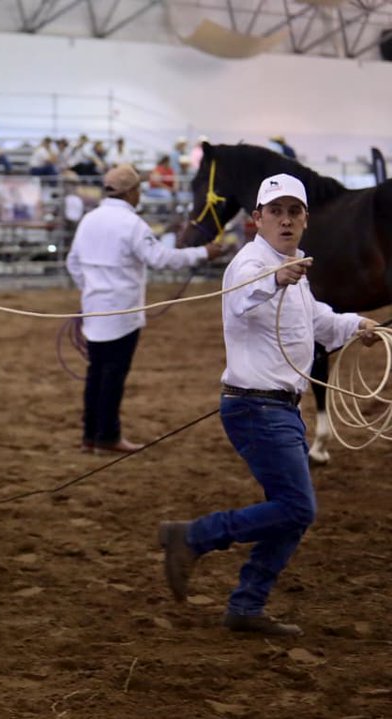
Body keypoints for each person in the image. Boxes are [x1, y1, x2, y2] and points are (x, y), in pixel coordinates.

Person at [159, 174, 378, 637]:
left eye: (293, 212)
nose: (285, 220)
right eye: (275, 212)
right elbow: (242, 297)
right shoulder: (252, 264)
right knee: (297, 508)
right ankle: (194, 536)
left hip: (277, 408)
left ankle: (247, 604)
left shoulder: (293, 266)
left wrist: (356, 325)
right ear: (257, 219)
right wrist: (275, 279)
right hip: (257, 409)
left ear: (305, 219)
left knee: (290, 511)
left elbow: (317, 320)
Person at [66, 165, 224, 453]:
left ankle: (90, 435)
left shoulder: (89, 219)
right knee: (113, 375)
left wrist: (89, 290)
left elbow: (73, 263)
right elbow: (160, 259)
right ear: (131, 192)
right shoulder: (132, 224)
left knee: (96, 373)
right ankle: (107, 436)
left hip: (94, 309)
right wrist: (202, 253)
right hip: (122, 313)